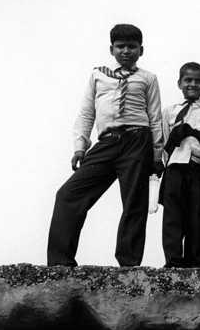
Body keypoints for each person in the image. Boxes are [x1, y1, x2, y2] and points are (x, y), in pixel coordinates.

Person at [47, 24, 164, 267]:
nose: (126, 51)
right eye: (120, 46)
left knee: (134, 203)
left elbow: (155, 118)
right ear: (111, 49)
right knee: (68, 195)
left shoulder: (147, 78)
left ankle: (128, 266)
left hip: (137, 140)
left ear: (141, 50)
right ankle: (60, 263)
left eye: (132, 46)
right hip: (107, 141)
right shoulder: (98, 75)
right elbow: (86, 112)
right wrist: (80, 146)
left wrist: (156, 155)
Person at [159, 62, 200, 268]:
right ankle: (173, 261)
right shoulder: (169, 111)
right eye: (188, 80)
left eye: (198, 81)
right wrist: (168, 166)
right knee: (173, 216)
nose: (193, 84)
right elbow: (164, 140)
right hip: (175, 167)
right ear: (179, 83)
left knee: (199, 216)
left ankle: (197, 263)